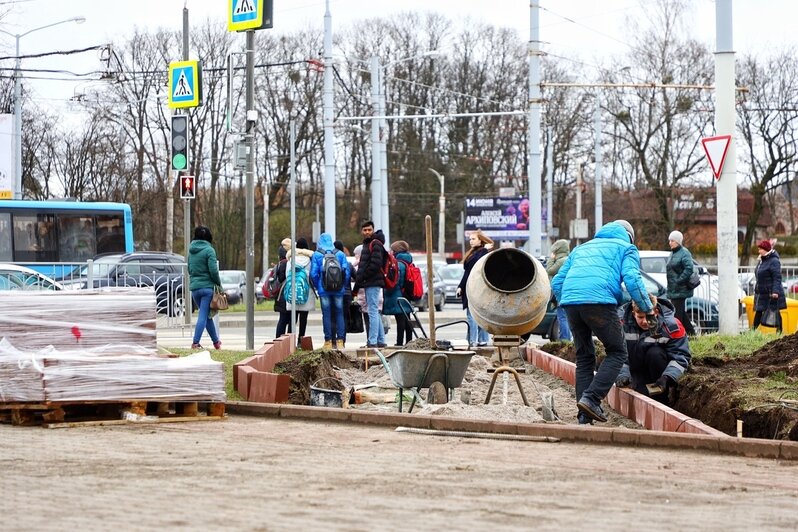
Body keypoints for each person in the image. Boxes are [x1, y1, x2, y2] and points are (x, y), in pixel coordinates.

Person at [551, 220, 655, 425]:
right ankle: (591, 398)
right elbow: (633, 279)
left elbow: (556, 281)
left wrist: (568, 300)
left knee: (584, 357)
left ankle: (584, 415)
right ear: (630, 236)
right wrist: (648, 308)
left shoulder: (581, 248)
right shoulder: (627, 248)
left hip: (571, 303)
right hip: (600, 302)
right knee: (617, 352)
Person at [616, 295, 691, 406]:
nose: (645, 321)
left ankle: (662, 398)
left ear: (656, 312)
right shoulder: (620, 325)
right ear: (633, 313)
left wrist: (667, 377)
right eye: (640, 317)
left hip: (657, 372)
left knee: (655, 353)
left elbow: (681, 356)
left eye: (649, 316)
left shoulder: (671, 326)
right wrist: (622, 375)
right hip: (633, 370)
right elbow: (617, 354)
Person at [311, 232, 351, 349]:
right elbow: (347, 273)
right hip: (339, 290)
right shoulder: (340, 254)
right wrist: (342, 285)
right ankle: (340, 340)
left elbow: (313, 274)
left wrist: (319, 286)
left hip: (324, 290)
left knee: (327, 315)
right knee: (339, 313)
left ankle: (328, 341)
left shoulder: (317, 255)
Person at [187, 225, 223, 350]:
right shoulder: (209, 250)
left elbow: (189, 269)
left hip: (195, 288)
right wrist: (218, 283)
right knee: (203, 315)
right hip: (207, 288)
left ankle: (216, 342)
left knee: (207, 316)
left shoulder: (191, 250)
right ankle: (195, 343)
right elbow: (213, 270)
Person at [456, 230, 492, 348]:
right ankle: (480, 339)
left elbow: (479, 264)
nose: (471, 241)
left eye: (473, 239)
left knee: (475, 316)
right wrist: (460, 287)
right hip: (471, 287)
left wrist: (486, 249)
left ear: (480, 240)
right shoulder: (474, 252)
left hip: (478, 288)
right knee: (477, 316)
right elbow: (467, 272)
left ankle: (474, 340)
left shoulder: (482, 253)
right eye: (470, 239)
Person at [356, 226, 387, 348]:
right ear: (362, 231)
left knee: (372, 311)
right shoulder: (370, 244)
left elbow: (375, 264)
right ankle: (380, 340)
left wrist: (364, 276)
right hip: (371, 282)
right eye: (365, 230)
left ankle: (372, 341)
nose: (367, 232)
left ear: (373, 230)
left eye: (369, 230)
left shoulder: (375, 244)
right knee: (375, 311)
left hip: (372, 282)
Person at [383, 240, 414, 346]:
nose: (391, 252)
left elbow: (396, 281)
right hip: (406, 294)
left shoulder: (398, 264)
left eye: (392, 250)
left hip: (399, 294)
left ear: (396, 251)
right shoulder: (408, 261)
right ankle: (409, 341)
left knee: (400, 319)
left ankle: (399, 342)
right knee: (407, 318)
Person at [752, 239, 786, 333]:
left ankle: (779, 332)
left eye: (760, 249)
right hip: (763, 292)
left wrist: (775, 291)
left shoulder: (774, 261)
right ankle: (752, 331)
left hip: (771, 292)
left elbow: (777, 277)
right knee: (759, 311)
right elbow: (759, 275)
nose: (759, 251)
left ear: (766, 249)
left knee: (775, 311)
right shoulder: (762, 260)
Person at [285, 237, 316, 342]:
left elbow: (287, 275)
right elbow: (312, 276)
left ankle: (290, 341)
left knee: (292, 319)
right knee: (303, 319)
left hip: (292, 291)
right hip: (305, 292)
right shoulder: (310, 260)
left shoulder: (290, 259)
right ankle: (301, 340)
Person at [665, 230, 696, 336]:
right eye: (669, 240)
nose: (670, 243)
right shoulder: (672, 253)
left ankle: (677, 336)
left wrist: (679, 280)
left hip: (681, 289)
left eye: (672, 240)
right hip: (673, 288)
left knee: (677, 315)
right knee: (681, 313)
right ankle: (692, 334)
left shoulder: (684, 253)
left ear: (678, 241)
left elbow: (689, 268)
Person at [546, 239, 572, 341]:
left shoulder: (561, 261)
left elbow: (550, 270)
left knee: (562, 317)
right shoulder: (568, 259)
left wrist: (551, 259)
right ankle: (566, 339)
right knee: (565, 317)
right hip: (567, 292)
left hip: (562, 293)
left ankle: (565, 340)